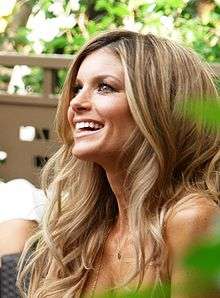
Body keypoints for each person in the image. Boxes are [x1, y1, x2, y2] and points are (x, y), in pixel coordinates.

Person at [17, 30, 220, 297]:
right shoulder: (80, 224)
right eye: (78, 88)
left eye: (105, 87)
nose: (76, 102)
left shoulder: (192, 219)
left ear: (158, 108)